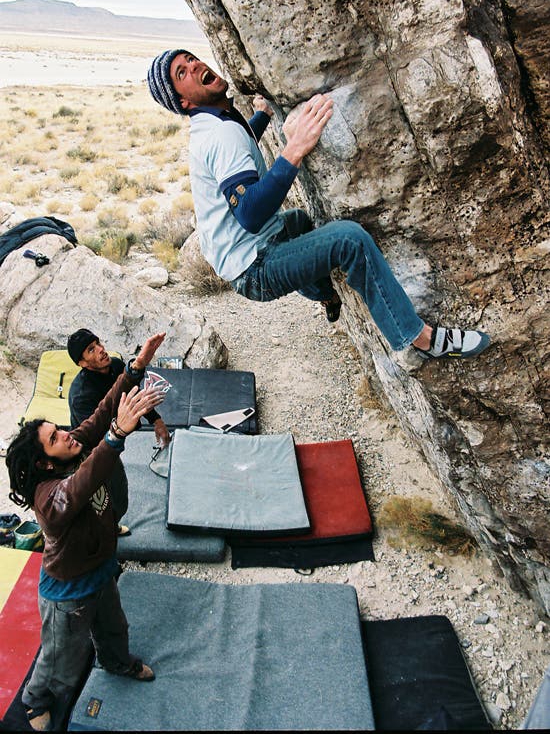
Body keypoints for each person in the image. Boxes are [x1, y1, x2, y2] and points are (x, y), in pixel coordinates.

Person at [147, 49, 490, 361]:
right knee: (349, 240)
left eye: (190, 59)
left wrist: (263, 116)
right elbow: (250, 213)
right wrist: (294, 149)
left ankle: (326, 293)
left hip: (247, 254)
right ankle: (418, 338)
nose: (194, 66)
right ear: (184, 103)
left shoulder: (218, 119)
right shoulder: (218, 135)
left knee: (297, 221)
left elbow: (239, 146)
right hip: (255, 267)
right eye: (182, 73)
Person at [5, 332, 167, 732]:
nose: (67, 434)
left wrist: (135, 368)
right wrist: (117, 436)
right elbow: (81, 486)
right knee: (61, 657)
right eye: (56, 438)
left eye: (61, 430)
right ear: (45, 463)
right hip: (69, 589)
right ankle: (34, 699)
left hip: (100, 568)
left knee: (114, 628)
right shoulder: (48, 497)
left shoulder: (71, 446)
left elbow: (101, 412)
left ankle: (116, 662)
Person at [67, 328, 171, 536]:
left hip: (114, 436)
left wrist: (156, 420)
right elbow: (94, 431)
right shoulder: (81, 395)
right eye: (91, 350)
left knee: (119, 493)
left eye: (98, 344)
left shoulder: (114, 365)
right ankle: (99, 534)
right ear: (82, 363)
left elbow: (133, 394)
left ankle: (111, 525)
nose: (101, 350)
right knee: (101, 496)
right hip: (92, 448)